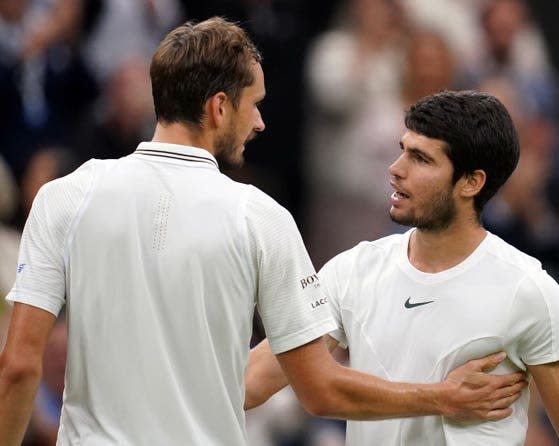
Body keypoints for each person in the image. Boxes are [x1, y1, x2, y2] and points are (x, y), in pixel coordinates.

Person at [0, 17, 527, 446]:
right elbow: (320, 390)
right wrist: (442, 397)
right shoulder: (260, 216)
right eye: (254, 105)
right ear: (219, 107)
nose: (260, 124)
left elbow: (19, 367)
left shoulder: (65, 195)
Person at [246, 90, 559, 445]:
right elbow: (254, 381)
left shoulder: (529, 289)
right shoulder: (352, 270)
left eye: (420, 158)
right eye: (403, 149)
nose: (396, 169)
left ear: (471, 182)